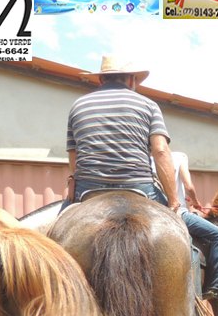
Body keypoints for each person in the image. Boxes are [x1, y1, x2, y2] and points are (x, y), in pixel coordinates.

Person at [64, 55, 178, 212]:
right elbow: (160, 151)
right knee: (191, 224)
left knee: (56, 223)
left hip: (88, 188)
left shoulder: (78, 105)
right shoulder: (149, 105)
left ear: (101, 80)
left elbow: (73, 153)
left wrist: (73, 182)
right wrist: (174, 201)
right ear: (131, 80)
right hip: (139, 186)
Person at [171, 152, 218, 301]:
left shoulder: (146, 158)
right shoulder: (179, 157)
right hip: (178, 214)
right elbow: (189, 186)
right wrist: (196, 201)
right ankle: (214, 287)